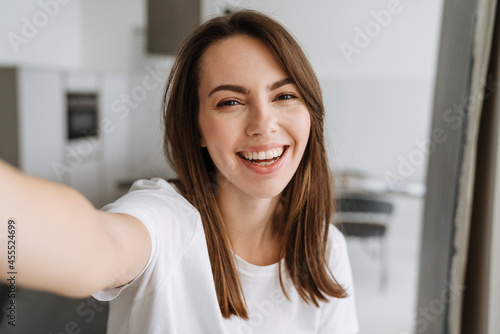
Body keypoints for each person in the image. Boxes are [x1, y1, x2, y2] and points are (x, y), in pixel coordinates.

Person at [0, 9, 358, 334]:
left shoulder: (326, 249)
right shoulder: (167, 221)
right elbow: (100, 246)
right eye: (230, 102)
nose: (263, 124)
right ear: (198, 128)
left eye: (284, 96)